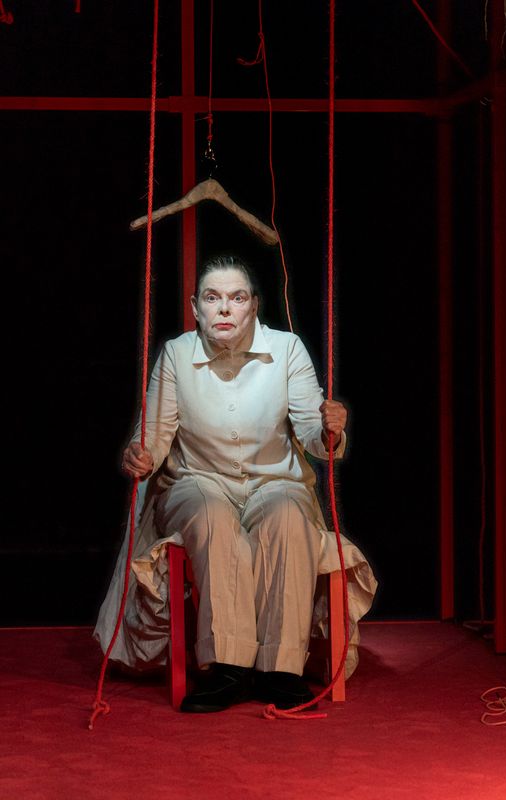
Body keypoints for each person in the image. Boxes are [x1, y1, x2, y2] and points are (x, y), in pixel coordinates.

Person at [94, 254, 377, 713]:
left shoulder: (286, 349)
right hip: (197, 480)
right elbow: (155, 436)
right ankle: (228, 667)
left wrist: (331, 429)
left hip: (274, 482)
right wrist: (139, 455)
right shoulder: (177, 354)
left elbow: (313, 433)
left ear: (254, 306)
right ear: (195, 307)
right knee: (211, 516)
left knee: (289, 517)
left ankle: (280, 669)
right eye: (212, 298)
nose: (224, 308)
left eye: (237, 298)